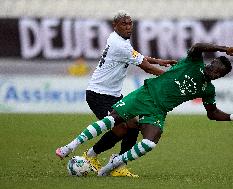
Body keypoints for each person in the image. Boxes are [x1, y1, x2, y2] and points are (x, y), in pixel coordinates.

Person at [56, 42, 233, 176]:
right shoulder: (193, 62)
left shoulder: (208, 89)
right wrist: (224, 48)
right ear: (211, 61)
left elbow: (212, 113)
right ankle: (70, 147)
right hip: (145, 95)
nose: (214, 71)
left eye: (218, 72)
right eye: (214, 66)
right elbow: (198, 46)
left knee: (150, 142)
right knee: (113, 120)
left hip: (158, 111)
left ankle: (111, 167)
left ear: (219, 77)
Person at [56, 10, 176, 177]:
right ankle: (91, 156)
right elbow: (146, 67)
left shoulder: (118, 40)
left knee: (134, 125)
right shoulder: (120, 45)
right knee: (122, 127)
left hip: (112, 94)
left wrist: (159, 61)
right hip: (99, 94)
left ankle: (118, 164)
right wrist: (171, 77)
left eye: (130, 23)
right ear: (115, 26)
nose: (128, 27)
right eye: (124, 24)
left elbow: (136, 55)